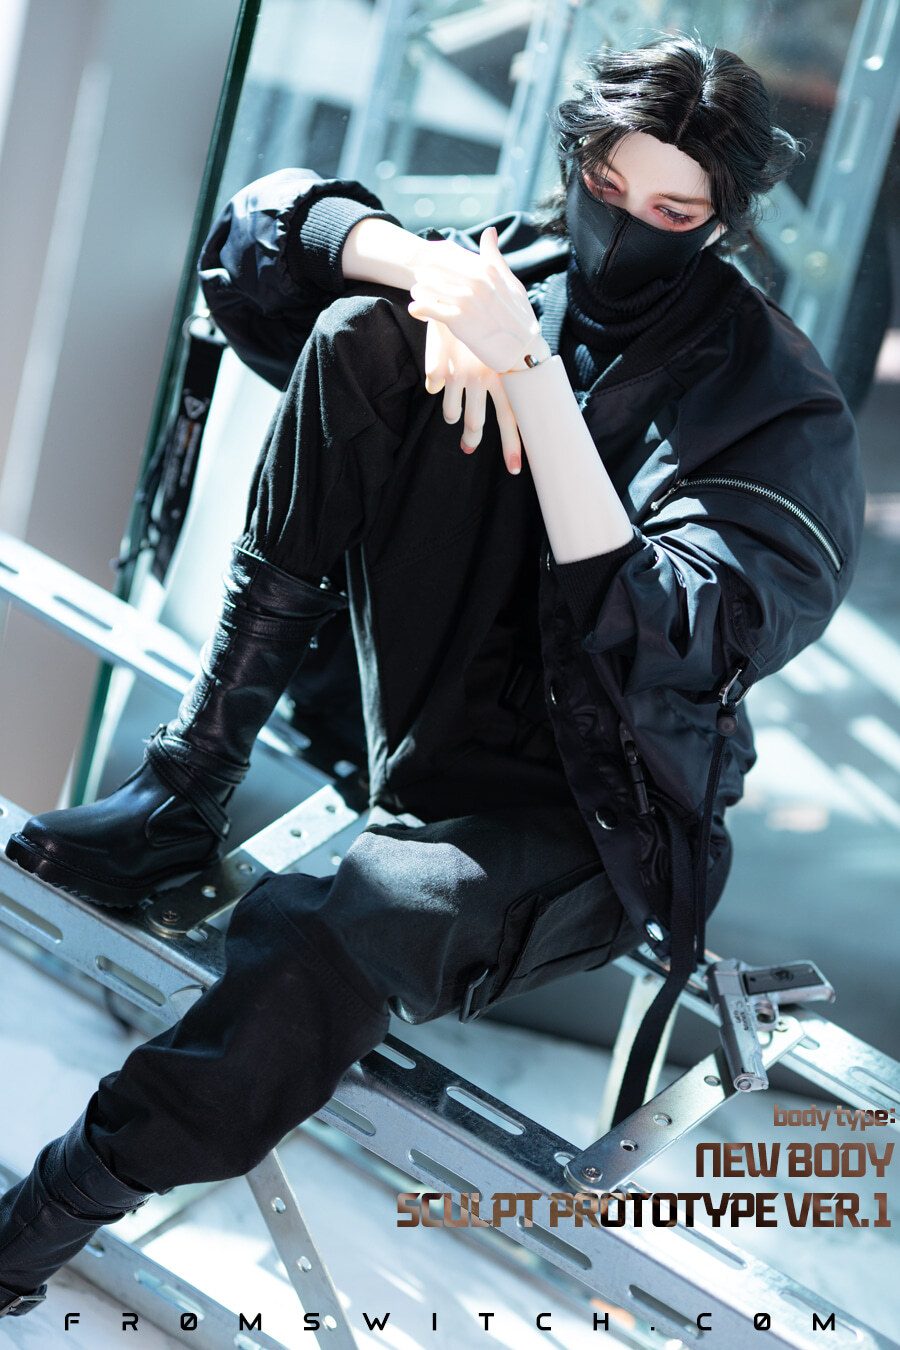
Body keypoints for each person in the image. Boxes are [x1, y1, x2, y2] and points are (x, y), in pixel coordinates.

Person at [0, 34, 863, 1318]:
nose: (625, 230)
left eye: (675, 214)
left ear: (725, 224)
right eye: (606, 190)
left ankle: (38, 1223)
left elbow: (669, 627)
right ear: (578, 167)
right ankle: (185, 791)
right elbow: (257, 241)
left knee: (328, 924)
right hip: (422, 723)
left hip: (587, 822)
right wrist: (433, 280)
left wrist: (525, 373)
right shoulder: (528, 269)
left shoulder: (780, 410)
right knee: (363, 332)